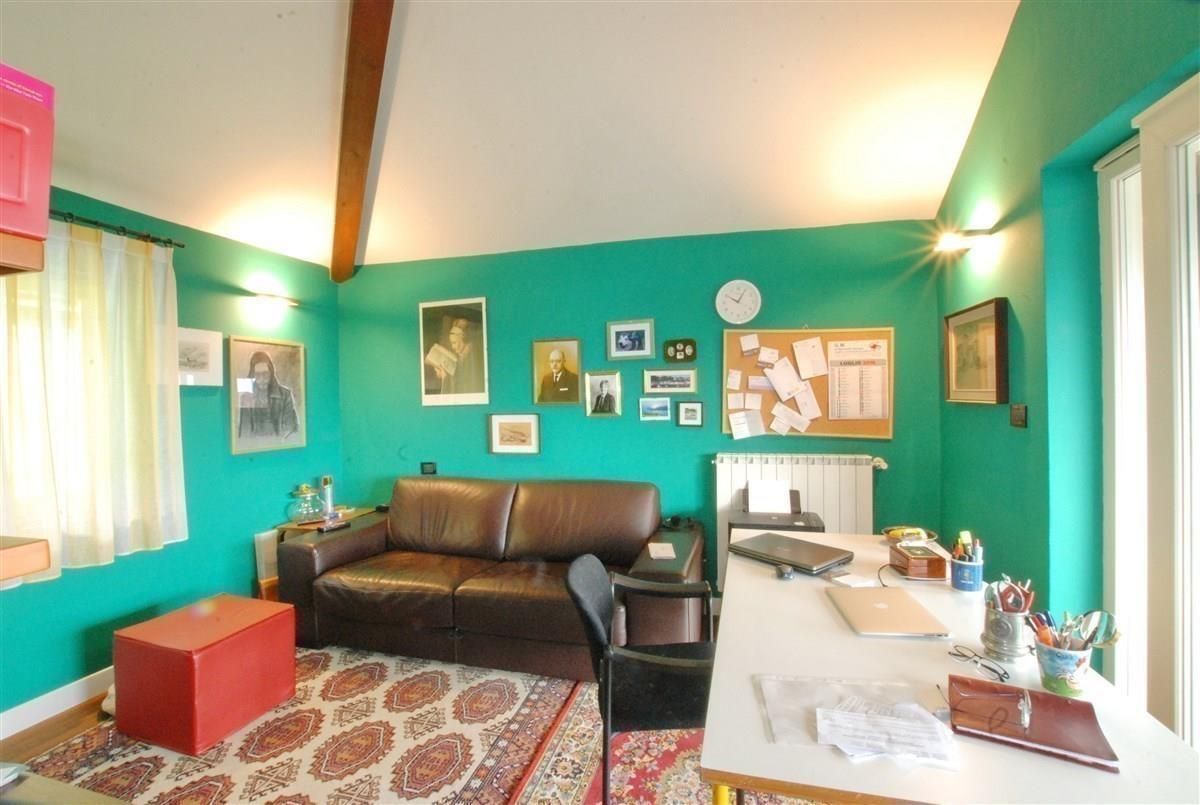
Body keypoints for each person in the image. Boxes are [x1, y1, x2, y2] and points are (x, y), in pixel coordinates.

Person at [238, 350, 299, 439]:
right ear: (253, 375)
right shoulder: (246, 397)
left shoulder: (285, 395)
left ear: (271, 373)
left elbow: (291, 429)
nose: (262, 379)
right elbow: (244, 432)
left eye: (265, 374)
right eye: (257, 375)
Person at [433, 317, 484, 394]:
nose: (453, 347)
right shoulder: (463, 356)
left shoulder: (473, 357)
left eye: (454, 343)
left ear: (464, 339)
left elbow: (463, 387)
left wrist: (445, 378)